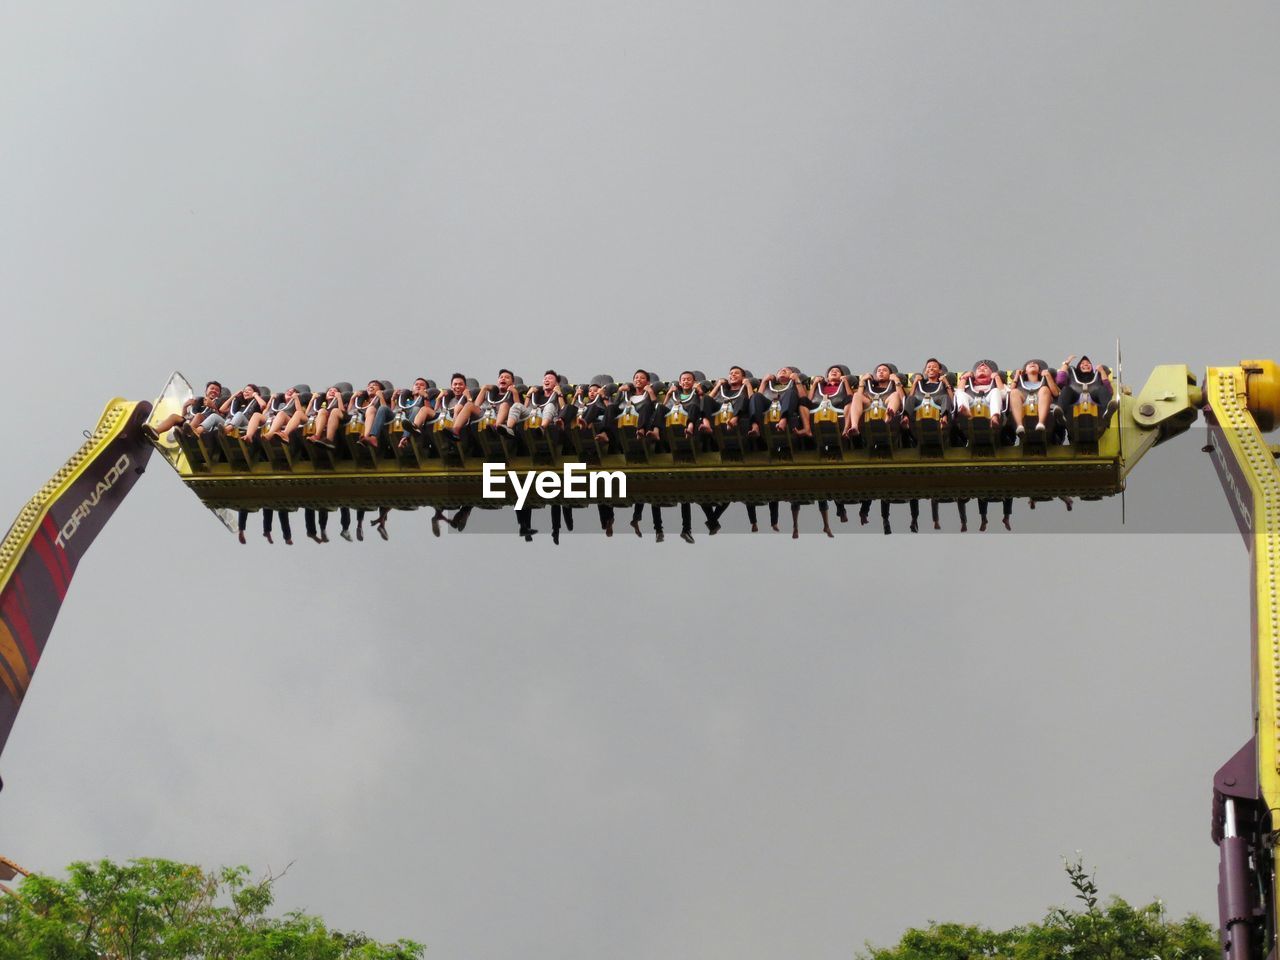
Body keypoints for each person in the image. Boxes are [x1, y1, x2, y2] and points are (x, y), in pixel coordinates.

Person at [144, 381, 226, 441]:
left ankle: (187, 435)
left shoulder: (219, 403)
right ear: (206, 391)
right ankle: (156, 432)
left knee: (198, 416)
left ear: (219, 394)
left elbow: (220, 418)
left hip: (204, 428)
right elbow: (186, 417)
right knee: (174, 416)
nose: (214, 391)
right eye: (212, 388)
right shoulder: (198, 402)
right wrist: (185, 407)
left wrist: (213, 407)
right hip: (189, 424)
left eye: (217, 390)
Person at [846, 364, 904, 438]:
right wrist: (862, 381)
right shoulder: (870, 388)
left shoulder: (894, 387)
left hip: (887, 404)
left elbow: (903, 400)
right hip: (870, 404)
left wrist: (896, 380)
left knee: (895, 394)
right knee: (857, 395)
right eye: (879, 371)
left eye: (884, 370)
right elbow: (857, 398)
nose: (881, 372)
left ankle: (888, 416)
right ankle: (854, 426)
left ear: (890, 374)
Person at [954, 361, 1006, 442]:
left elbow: (1003, 395)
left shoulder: (995, 385)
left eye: (985, 368)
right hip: (972, 404)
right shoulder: (968, 386)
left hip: (988, 403)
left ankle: (995, 417)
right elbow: (957, 394)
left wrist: (997, 377)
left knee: (995, 391)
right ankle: (965, 411)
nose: (982, 370)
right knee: (961, 394)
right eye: (979, 369)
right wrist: (964, 378)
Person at [753, 367, 812, 437]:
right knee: (756, 396)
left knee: (790, 392)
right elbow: (759, 398)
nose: (783, 371)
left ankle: (783, 420)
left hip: (791, 406)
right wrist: (764, 382)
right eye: (780, 371)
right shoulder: (770, 385)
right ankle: (755, 426)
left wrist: (797, 380)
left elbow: (804, 399)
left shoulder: (795, 385)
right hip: (770, 407)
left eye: (787, 371)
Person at [902, 359, 952, 437]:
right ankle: (906, 418)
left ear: (939, 371)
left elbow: (952, 399)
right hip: (921, 402)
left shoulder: (942, 383)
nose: (931, 369)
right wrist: (915, 383)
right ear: (925, 371)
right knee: (911, 398)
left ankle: (944, 419)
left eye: (934, 367)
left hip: (937, 402)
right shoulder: (921, 383)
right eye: (928, 367)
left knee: (945, 397)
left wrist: (946, 383)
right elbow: (911, 396)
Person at [1009, 360, 1058, 439]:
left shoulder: (1044, 382)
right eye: (1029, 364)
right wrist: (1017, 376)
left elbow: (1056, 393)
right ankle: (1019, 425)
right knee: (1014, 392)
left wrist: (1048, 375)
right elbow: (1010, 391)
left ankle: (1041, 422)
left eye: (1035, 364)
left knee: (1044, 389)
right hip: (1024, 401)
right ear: (1025, 372)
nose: (1032, 364)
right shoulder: (1021, 384)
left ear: (1039, 371)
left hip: (1042, 402)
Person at [707, 365, 758, 439]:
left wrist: (748, 385)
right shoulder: (723, 391)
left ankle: (734, 420)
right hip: (720, 414)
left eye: (736, 373)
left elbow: (753, 401)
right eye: (731, 373)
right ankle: (707, 425)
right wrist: (718, 385)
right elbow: (708, 399)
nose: (733, 375)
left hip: (740, 415)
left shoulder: (744, 393)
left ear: (743, 378)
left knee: (742, 397)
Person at [304, 384, 350, 449]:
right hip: (324, 420)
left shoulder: (341, 401)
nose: (332, 392)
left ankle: (329, 440)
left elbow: (342, 411)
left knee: (334, 411)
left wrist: (339, 398)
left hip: (340, 418)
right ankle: (317, 436)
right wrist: (312, 399)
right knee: (322, 411)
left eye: (335, 391)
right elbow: (307, 414)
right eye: (330, 390)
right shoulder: (322, 406)